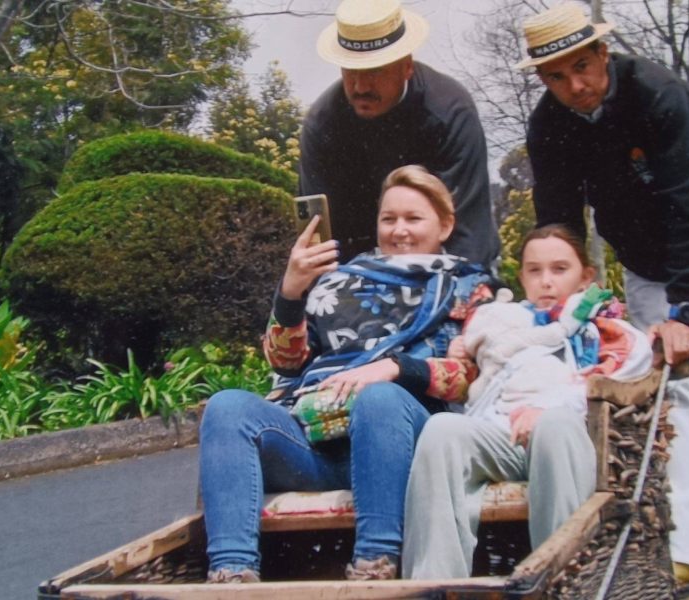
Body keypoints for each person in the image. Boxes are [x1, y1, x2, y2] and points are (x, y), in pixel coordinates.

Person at [515, 4, 689, 599]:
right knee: (665, 411)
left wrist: (685, 310)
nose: (575, 87)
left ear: (602, 54)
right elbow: (561, 216)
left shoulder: (658, 94)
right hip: (644, 265)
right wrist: (558, 291)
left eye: (583, 68)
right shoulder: (550, 124)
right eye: (557, 77)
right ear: (543, 79)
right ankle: (687, 555)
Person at [198, 165, 493, 583]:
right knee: (227, 407)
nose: (399, 230)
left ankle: (376, 565)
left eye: (414, 218)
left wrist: (394, 368)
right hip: (319, 440)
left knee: (379, 398)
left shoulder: (468, 288)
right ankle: (231, 574)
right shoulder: (338, 283)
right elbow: (286, 364)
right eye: (389, 219)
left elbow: (474, 376)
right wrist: (292, 291)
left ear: (445, 224)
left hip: (408, 445)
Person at [403, 225, 652, 579]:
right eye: (535, 270)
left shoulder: (607, 329)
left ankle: (560, 583)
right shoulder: (508, 322)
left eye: (559, 269)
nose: (546, 281)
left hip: (569, 439)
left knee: (555, 424)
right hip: (501, 435)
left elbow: (625, 376)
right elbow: (474, 366)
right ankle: (434, 584)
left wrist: (550, 405)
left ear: (586, 276)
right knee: (442, 430)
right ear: (521, 276)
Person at [300, 0, 499, 269]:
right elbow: (319, 234)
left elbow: (469, 233)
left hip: (445, 260)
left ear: (407, 66)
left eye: (375, 71)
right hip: (358, 265)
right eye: (351, 71)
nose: (360, 87)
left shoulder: (451, 112)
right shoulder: (321, 125)